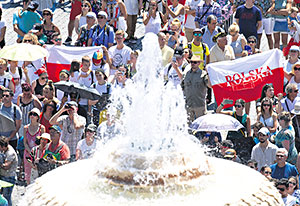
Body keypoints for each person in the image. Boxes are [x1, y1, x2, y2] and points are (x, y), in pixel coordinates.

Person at [181, 55, 208, 123]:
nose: (193, 64)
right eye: (191, 62)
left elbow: (210, 85)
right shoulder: (186, 74)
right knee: (189, 127)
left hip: (199, 105)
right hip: (188, 105)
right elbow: (182, 87)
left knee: (202, 125)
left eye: (195, 62)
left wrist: (209, 74)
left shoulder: (203, 74)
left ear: (199, 63)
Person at [23, 108, 45, 185]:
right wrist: (30, 151)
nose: (32, 116)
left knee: (37, 172)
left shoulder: (41, 128)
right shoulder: (26, 128)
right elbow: (25, 142)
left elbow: (43, 142)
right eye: (31, 114)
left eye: (34, 114)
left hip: (38, 153)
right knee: (28, 172)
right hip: (28, 152)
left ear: (38, 117)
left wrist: (35, 152)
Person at [0, 136, 18, 206]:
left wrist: (0, 164)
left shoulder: (10, 153)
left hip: (8, 178)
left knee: (7, 198)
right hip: (3, 176)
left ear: (2, 146)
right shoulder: (5, 148)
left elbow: (6, 166)